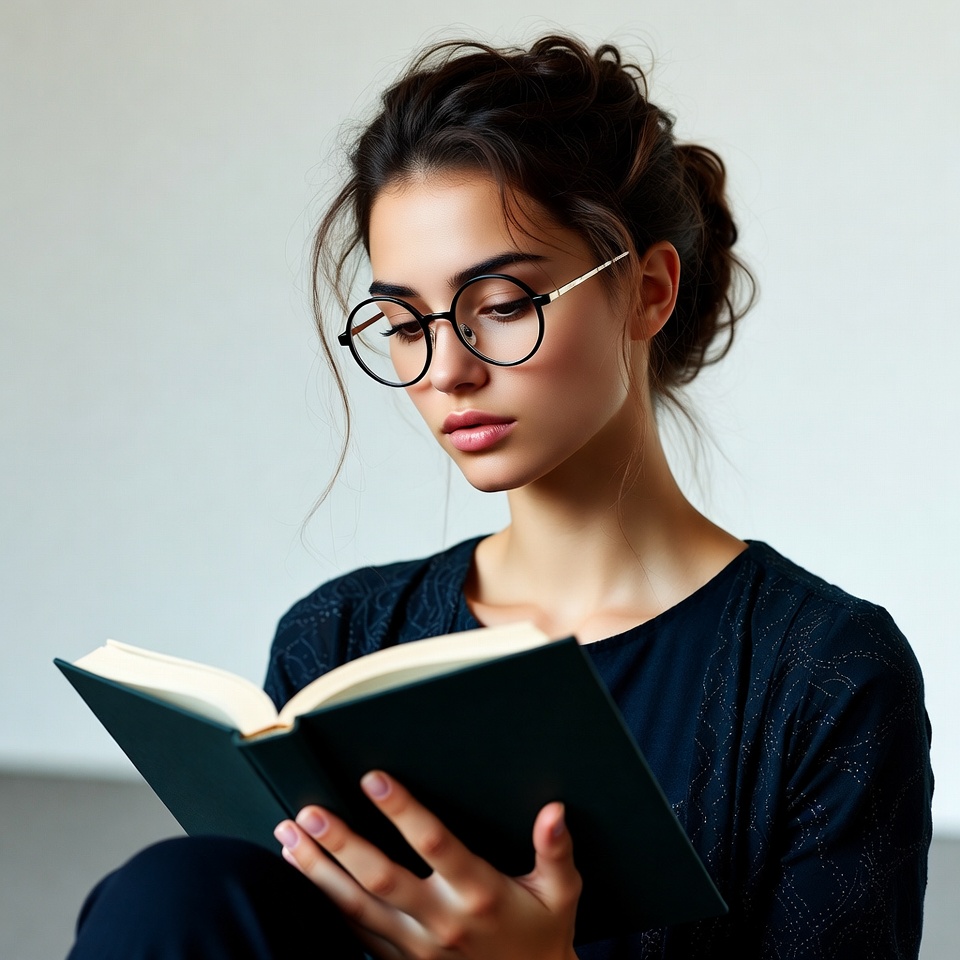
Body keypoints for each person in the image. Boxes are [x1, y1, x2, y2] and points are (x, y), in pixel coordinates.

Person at [67, 34, 933, 960]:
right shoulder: (342, 637)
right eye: (403, 323)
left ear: (646, 291)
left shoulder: (825, 677)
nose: (445, 371)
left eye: (505, 305)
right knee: (176, 887)